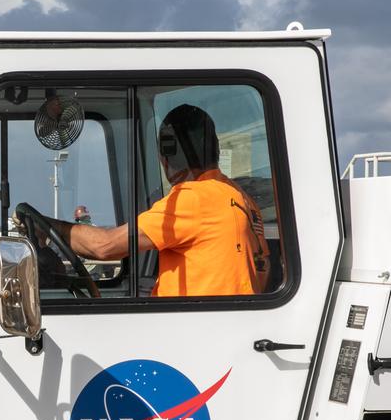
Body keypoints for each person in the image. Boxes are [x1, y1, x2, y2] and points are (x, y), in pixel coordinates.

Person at [40, 104, 268, 297]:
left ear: (168, 154)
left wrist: (48, 226)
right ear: (215, 148)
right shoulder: (239, 197)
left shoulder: (196, 198)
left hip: (194, 334)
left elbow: (104, 246)